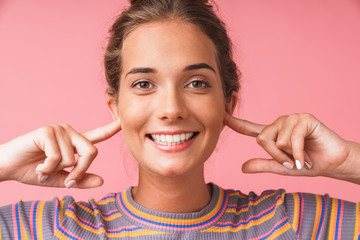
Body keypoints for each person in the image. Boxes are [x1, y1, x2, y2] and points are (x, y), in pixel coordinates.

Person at [0, 0, 359, 239]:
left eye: (197, 83)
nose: (171, 108)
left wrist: (347, 161)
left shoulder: (289, 223)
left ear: (228, 104)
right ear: (116, 108)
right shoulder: (49, 229)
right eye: (143, 84)